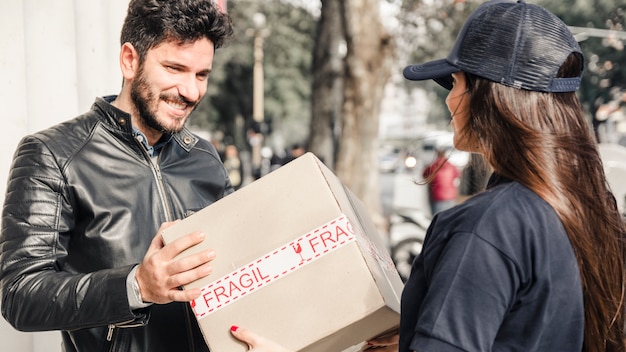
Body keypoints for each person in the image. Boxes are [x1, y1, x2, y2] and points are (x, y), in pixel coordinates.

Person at [229, 1, 626, 351]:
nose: (449, 98)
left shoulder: (487, 225)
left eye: (454, 83)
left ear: (487, 95)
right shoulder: (588, 212)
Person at [0, 1, 234, 351]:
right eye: (174, 68)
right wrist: (136, 285)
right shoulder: (52, 154)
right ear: (129, 60)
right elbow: (20, 293)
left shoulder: (204, 157)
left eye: (201, 75)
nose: (191, 91)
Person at [421, 147, 461, 216]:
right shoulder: (451, 166)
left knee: (437, 221)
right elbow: (457, 174)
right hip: (451, 197)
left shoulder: (433, 166)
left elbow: (424, 174)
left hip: (438, 197)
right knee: (450, 219)